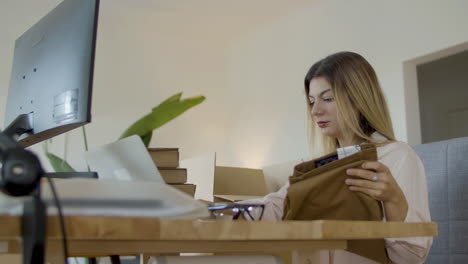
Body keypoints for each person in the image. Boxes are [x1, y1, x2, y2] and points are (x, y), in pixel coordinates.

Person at [240, 51, 432, 263]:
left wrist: (394, 201)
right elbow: (276, 207)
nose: (315, 111)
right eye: (312, 101)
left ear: (359, 99)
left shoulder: (397, 157)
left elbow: (412, 257)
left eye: (328, 99)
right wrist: (210, 209)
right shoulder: (319, 167)